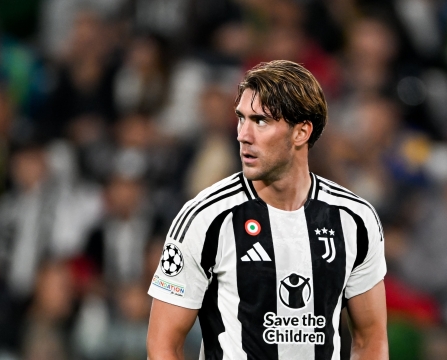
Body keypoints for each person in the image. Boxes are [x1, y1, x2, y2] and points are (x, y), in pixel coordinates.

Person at [146, 60, 388, 359]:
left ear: (301, 132)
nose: (243, 135)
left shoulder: (354, 219)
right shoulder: (205, 217)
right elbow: (163, 346)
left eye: (260, 121)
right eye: (241, 119)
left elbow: (371, 340)